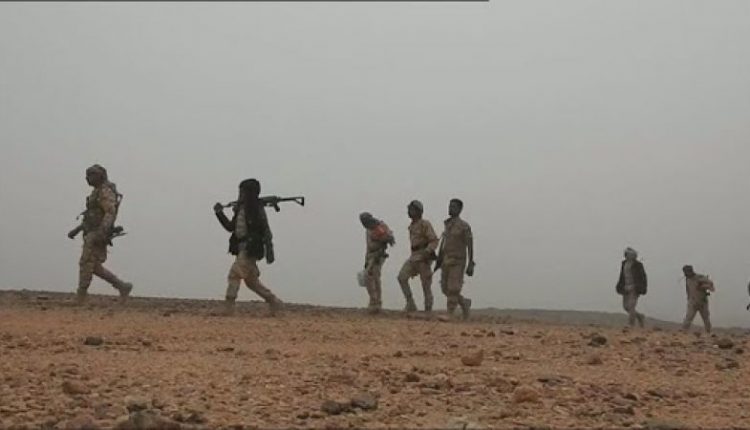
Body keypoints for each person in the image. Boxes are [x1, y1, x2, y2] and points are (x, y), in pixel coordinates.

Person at [213, 179, 283, 315]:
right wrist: (219, 213)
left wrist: (269, 251)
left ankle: (228, 308)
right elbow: (230, 227)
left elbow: (266, 231)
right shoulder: (240, 209)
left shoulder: (256, 210)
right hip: (242, 249)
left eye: (242, 192)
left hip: (250, 249)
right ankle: (274, 302)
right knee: (252, 282)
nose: (240, 195)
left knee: (234, 274)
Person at [67, 164, 133, 304]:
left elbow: (110, 212)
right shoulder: (96, 192)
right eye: (87, 175)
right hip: (91, 231)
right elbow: (91, 215)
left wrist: (101, 232)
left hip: (97, 233)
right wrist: (77, 229)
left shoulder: (105, 191)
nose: (88, 178)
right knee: (94, 266)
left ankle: (81, 296)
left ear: (101, 176)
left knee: (86, 262)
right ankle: (122, 286)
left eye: (92, 175)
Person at [435, 198, 475, 320]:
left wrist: (471, 263)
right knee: (445, 288)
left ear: (459, 209)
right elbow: (444, 243)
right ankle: (464, 303)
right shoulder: (447, 225)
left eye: (453, 207)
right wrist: (439, 259)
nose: (450, 209)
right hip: (446, 259)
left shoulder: (464, 226)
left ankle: (450, 313)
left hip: (458, 261)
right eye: (449, 206)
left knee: (454, 288)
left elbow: (469, 245)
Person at [397, 200, 439, 313]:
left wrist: (427, 251)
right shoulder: (411, 226)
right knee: (402, 277)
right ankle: (410, 303)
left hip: (423, 257)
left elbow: (434, 240)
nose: (409, 212)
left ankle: (428, 309)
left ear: (418, 211)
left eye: (411, 209)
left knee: (426, 284)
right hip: (414, 256)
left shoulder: (425, 224)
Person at [359, 212, 395, 314]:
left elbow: (389, 238)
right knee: (368, 278)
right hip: (370, 256)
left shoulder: (380, 226)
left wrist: (383, 238)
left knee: (375, 278)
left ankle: (376, 303)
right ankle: (373, 301)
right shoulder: (368, 229)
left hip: (378, 255)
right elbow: (369, 246)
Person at [615, 247, 647, 327]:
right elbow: (622, 276)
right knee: (626, 307)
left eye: (629, 254)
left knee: (631, 306)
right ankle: (640, 316)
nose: (627, 255)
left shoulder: (638, 265)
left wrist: (641, 287)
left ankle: (631, 324)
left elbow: (643, 277)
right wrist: (619, 286)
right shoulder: (624, 264)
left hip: (635, 288)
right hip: (625, 288)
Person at [681, 265, 715, 333]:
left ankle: (709, 332)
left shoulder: (700, 277)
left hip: (702, 302)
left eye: (686, 272)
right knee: (688, 317)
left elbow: (711, 286)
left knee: (706, 318)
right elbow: (688, 290)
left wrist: (703, 286)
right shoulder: (688, 279)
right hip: (692, 302)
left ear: (690, 271)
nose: (685, 274)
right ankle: (683, 331)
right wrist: (689, 299)